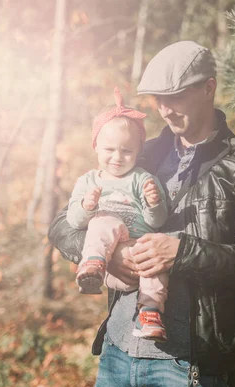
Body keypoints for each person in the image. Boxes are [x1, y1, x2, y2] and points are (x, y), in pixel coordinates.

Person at [48, 40, 235, 387]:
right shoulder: (139, 153)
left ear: (208, 88)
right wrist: (110, 255)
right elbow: (62, 223)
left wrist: (183, 253)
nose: (164, 109)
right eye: (157, 99)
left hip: (192, 368)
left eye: (175, 97)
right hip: (118, 353)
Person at [66, 87, 170, 341]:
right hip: (109, 265)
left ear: (138, 152)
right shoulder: (88, 181)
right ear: (96, 147)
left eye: (126, 151)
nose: (117, 157)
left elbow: (157, 222)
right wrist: (87, 206)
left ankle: (151, 314)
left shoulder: (143, 179)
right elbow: (73, 221)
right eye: (109, 150)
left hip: (138, 253)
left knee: (156, 260)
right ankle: (91, 266)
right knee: (104, 221)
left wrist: (153, 203)